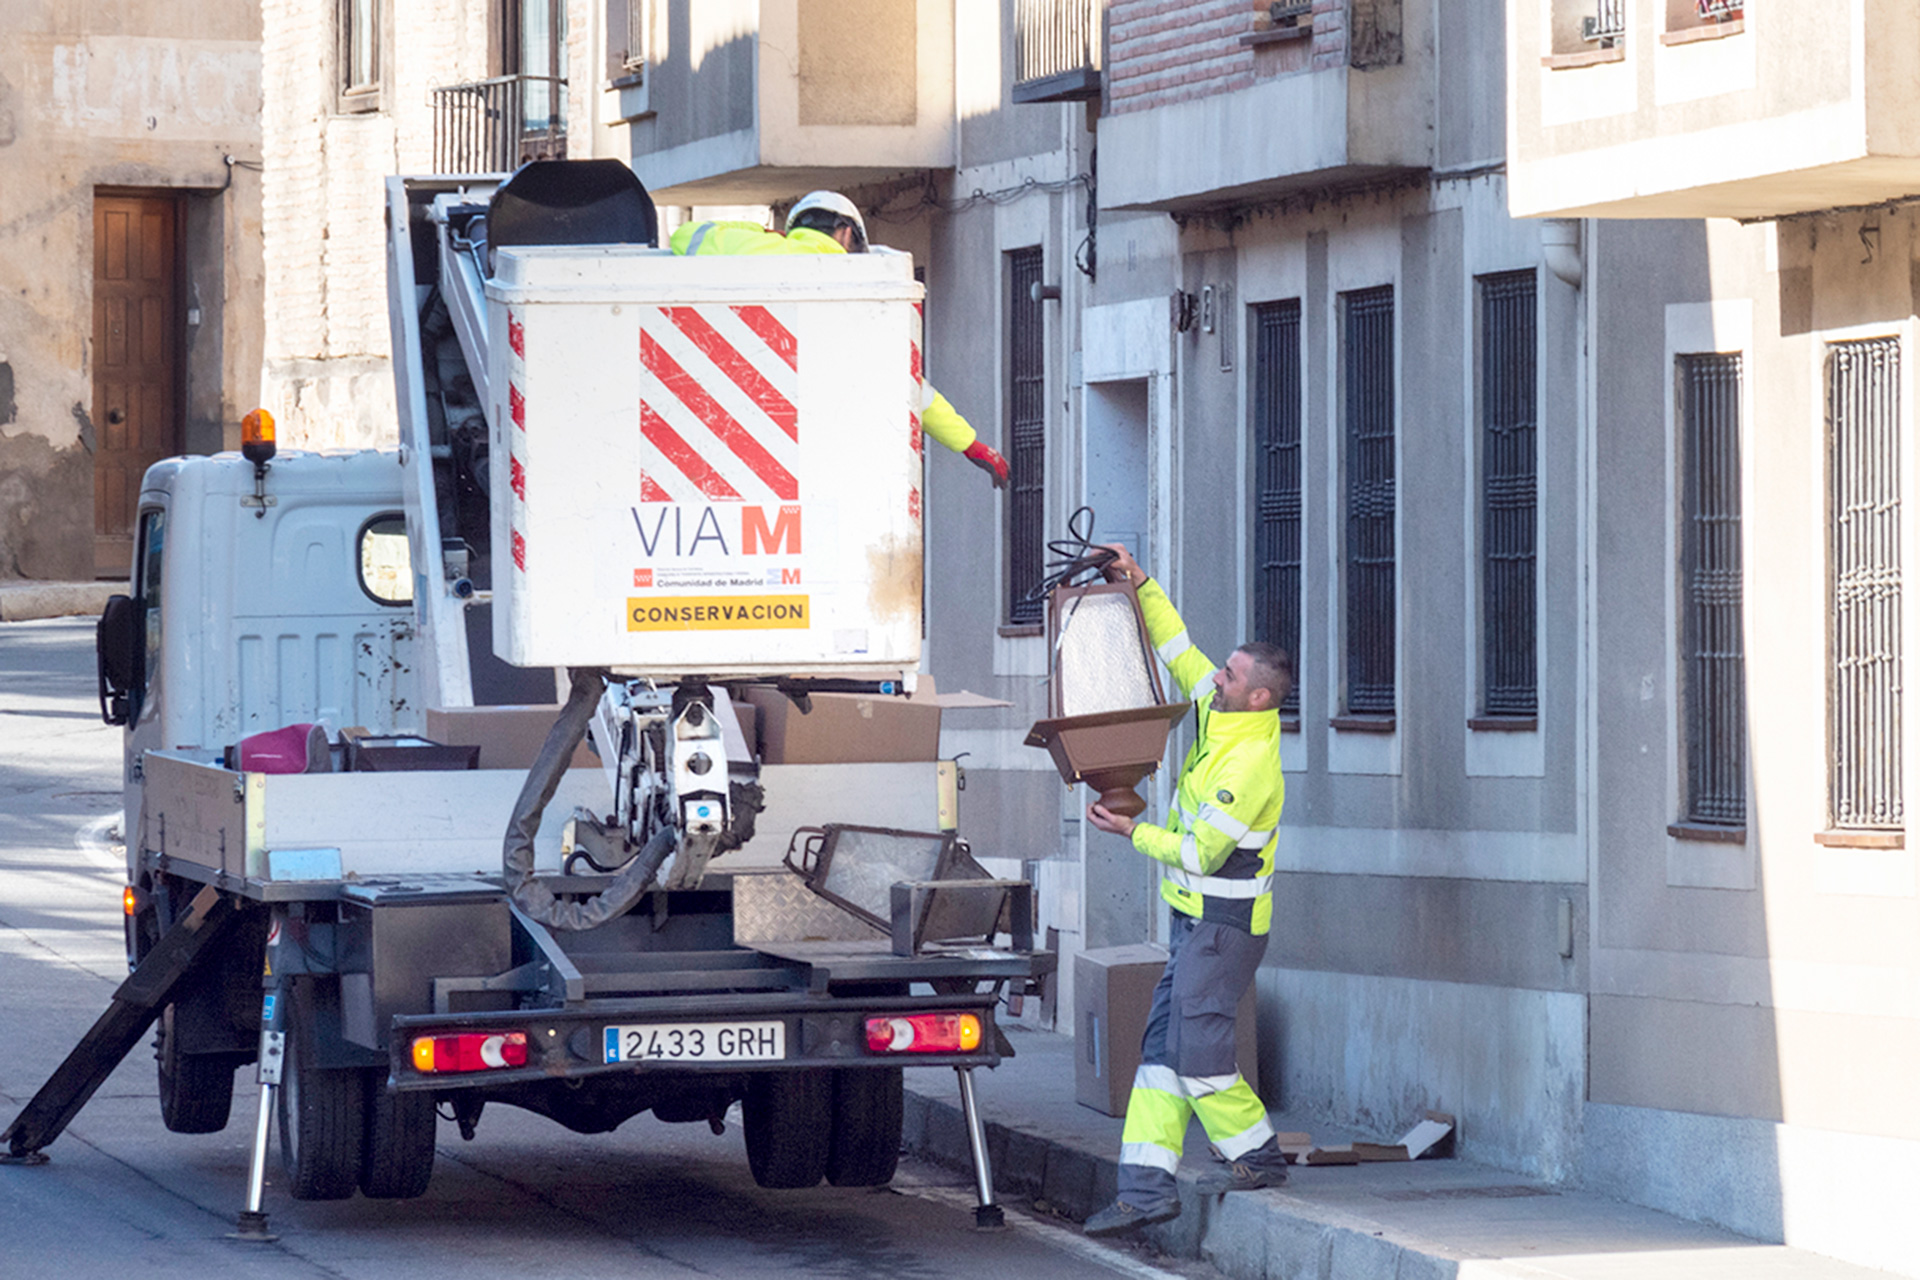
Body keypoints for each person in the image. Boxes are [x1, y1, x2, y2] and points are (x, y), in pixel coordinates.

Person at [1080, 542, 1293, 1238]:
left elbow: (1203, 851)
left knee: (1197, 1057)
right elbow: (1176, 648)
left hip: (1223, 927)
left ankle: (1256, 1155)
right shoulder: (1218, 712)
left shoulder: (1250, 763)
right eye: (1223, 669)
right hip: (1196, 923)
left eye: (1229, 674)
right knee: (1162, 1056)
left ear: (1257, 696)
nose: (1216, 677)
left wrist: (1131, 831)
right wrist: (1139, 582)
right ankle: (1144, 1191)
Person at [668, 192, 1009, 489]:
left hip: (743, 424)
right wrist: (971, 445)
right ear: (846, 234)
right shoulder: (864, 284)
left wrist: (760, 233)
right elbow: (908, 386)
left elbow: (684, 237)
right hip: (828, 441)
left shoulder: (759, 250)